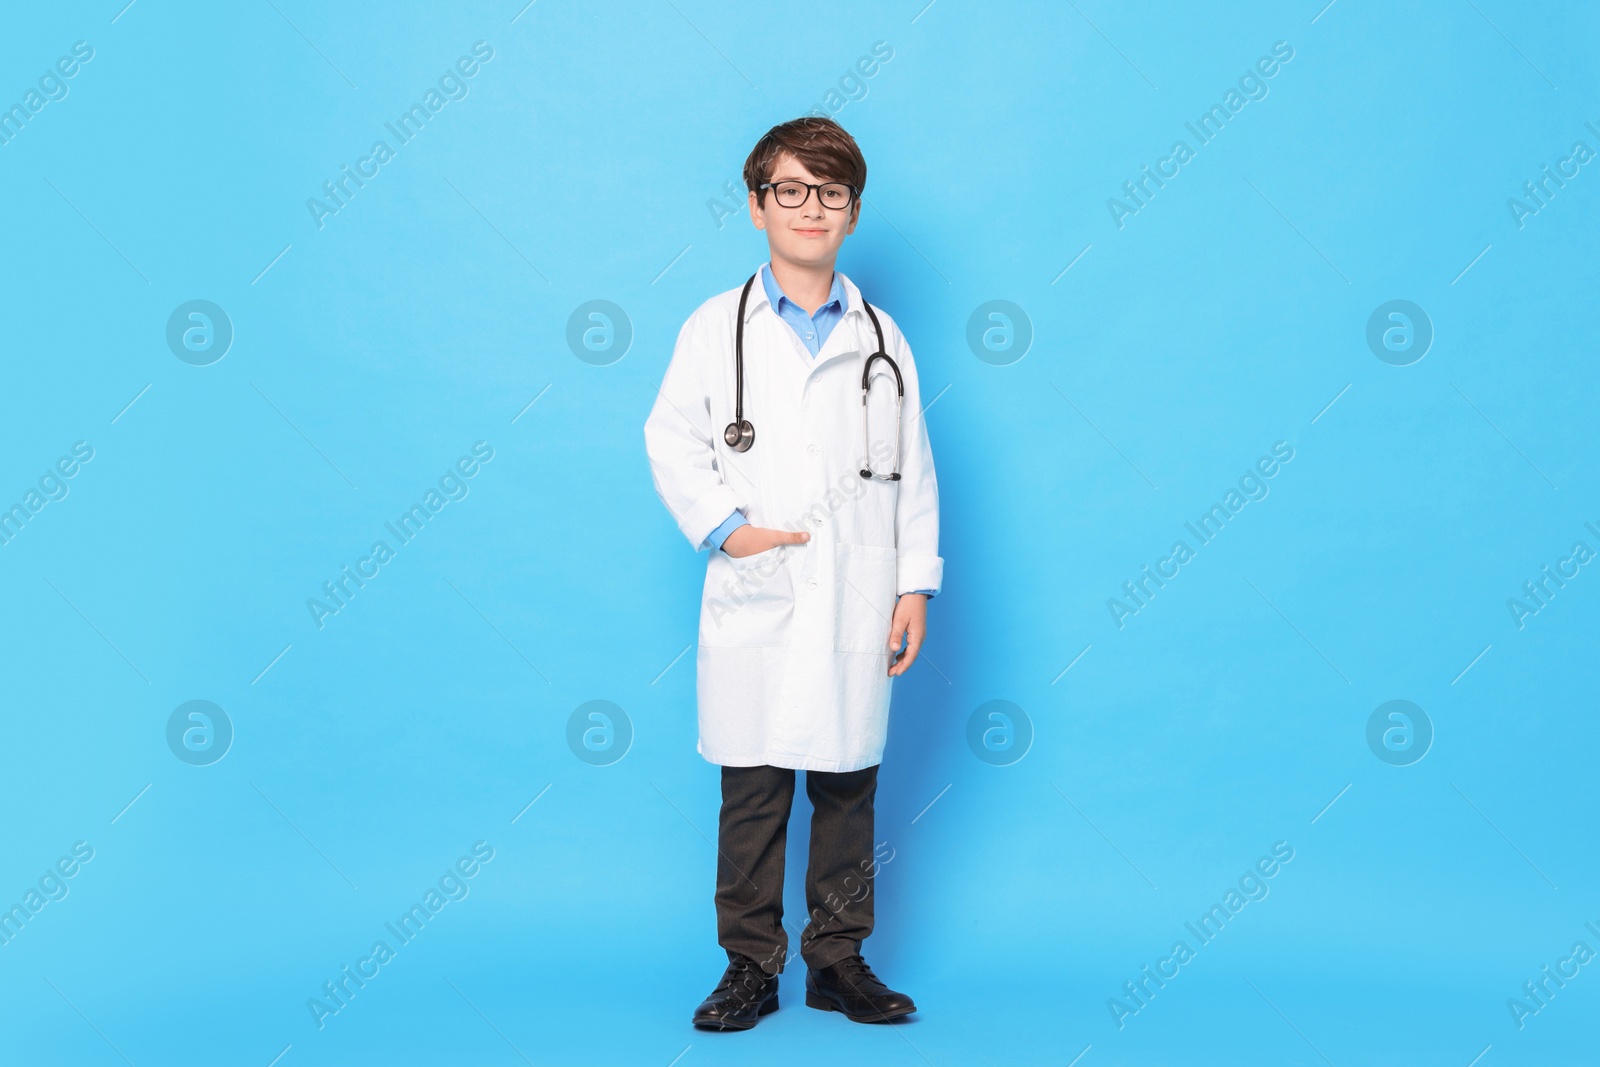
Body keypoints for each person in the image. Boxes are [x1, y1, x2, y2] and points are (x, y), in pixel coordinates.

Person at [643, 116, 943, 1031]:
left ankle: (838, 959)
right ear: (756, 205)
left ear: (853, 212)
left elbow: (914, 467)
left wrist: (913, 584)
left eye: (831, 191)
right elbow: (670, 438)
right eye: (790, 189)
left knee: (849, 783)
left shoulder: (883, 338)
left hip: (857, 595)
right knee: (755, 789)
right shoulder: (713, 329)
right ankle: (749, 965)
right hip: (761, 595)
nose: (810, 207)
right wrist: (724, 529)